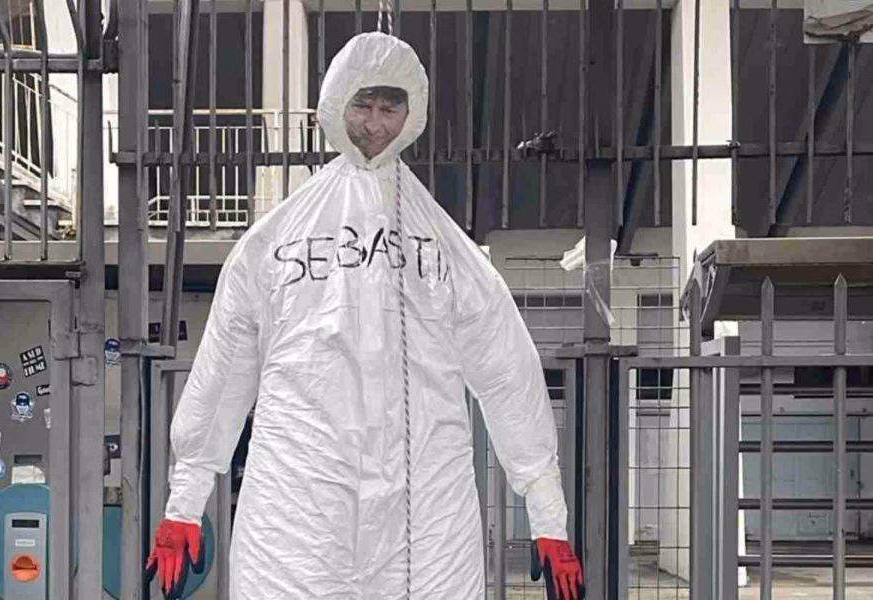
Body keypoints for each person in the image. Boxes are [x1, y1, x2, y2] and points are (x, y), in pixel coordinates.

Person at [145, 31, 584, 599]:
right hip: (300, 508)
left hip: (425, 514)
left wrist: (547, 512)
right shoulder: (272, 246)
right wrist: (184, 503)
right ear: (336, 104)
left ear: (412, 113)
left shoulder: (447, 253)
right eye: (363, 106)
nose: (375, 125)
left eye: (390, 109)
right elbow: (223, 373)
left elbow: (507, 373)